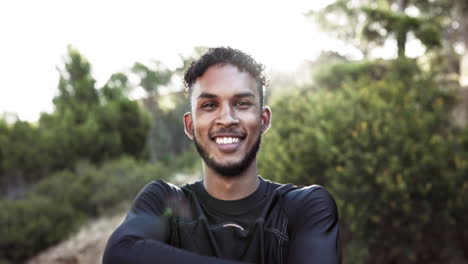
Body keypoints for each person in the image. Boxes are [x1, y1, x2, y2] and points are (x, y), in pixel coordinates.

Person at [103, 47, 341, 264]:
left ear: (264, 120)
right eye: (209, 105)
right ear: (189, 125)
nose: (226, 118)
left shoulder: (305, 206)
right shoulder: (165, 201)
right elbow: (119, 255)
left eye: (241, 103)